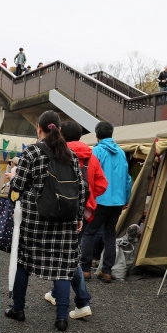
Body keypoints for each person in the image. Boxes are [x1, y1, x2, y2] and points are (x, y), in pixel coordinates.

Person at [6, 110, 86, 331]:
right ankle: (62, 318)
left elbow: (18, 186)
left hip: (35, 220)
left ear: (39, 128)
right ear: (59, 129)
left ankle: (18, 309)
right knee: (62, 267)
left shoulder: (31, 153)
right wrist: (79, 216)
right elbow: (81, 189)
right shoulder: (71, 155)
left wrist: (14, 179)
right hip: (66, 221)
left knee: (24, 261)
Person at [43, 120, 106, 320]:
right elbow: (102, 184)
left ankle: (82, 300)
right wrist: (90, 197)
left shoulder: (58, 153)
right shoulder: (92, 157)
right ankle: (56, 293)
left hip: (60, 211)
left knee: (66, 256)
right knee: (69, 253)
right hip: (84, 212)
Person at [80, 121, 132, 283]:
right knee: (110, 234)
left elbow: (91, 176)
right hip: (118, 201)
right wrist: (126, 197)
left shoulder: (97, 151)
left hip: (100, 199)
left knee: (89, 232)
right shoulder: (122, 153)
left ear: (97, 135)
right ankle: (107, 271)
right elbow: (128, 179)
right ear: (111, 134)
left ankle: (85, 269)